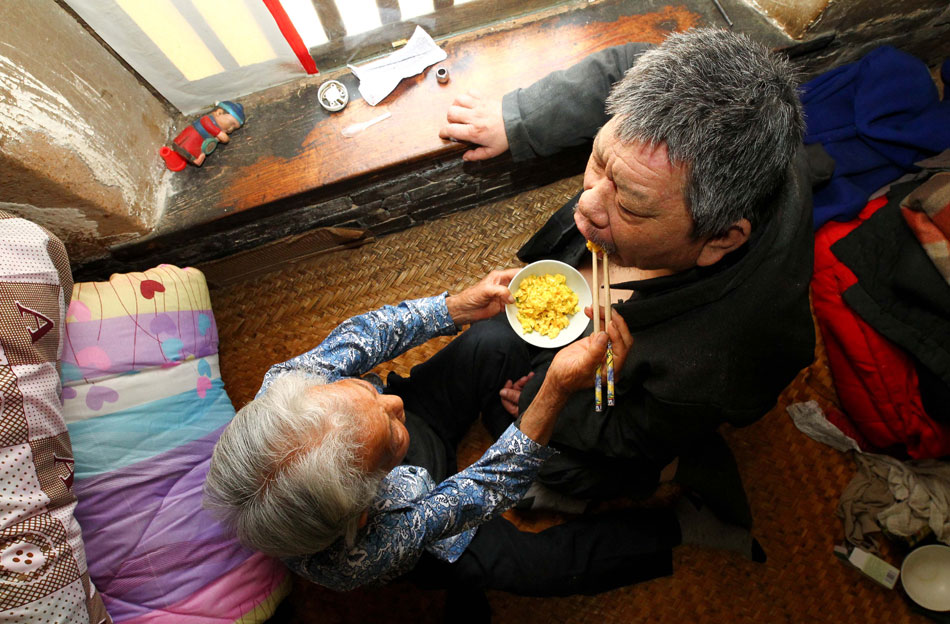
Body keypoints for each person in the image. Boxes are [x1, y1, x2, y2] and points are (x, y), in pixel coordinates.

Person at [438, 28, 816, 522]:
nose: (585, 206)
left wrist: (546, 401)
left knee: (554, 466)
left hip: (663, 420)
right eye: (597, 161)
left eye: (631, 205)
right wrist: (520, 119)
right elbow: (623, 69)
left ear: (720, 239)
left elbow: (631, 432)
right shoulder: (703, 94)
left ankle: (675, 474)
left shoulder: (719, 361)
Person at [168, 100, 245, 167]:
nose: (231, 128)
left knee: (198, 150)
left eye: (234, 128)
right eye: (232, 123)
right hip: (196, 133)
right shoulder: (208, 119)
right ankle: (183, 149)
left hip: (202, 141)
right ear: (219, 113)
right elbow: (205, 123)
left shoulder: (221, 130)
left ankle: (194, 157)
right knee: (189, 144)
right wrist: (218, 133)